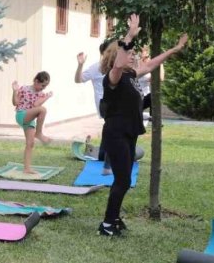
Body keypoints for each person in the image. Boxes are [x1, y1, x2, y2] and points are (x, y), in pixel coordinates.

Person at [96, 13, 187, 237]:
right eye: (129, 54)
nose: (133, 56)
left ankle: (114, 218)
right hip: (116, 134)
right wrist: (129, 35)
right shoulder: (113, 77)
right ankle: (107, 224)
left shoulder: (131, 76)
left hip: (129, 133)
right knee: (123, 179)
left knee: (124, 180)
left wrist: (174, 49)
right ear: (118, 56)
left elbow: (152, 64)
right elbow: (118, 63)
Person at [75, 40, 115, 173]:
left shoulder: (117, 66)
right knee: (113, 128)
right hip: (104, 104)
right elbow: (78, 79)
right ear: (104, 52)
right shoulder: (96, 67)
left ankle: (103, 155)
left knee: (111, 128)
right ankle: (107, 163)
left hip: (116, 102)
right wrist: (80, 65)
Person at [11, 72, 53, 175]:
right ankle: (39, 133)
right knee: (43, 110)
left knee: (30, 144)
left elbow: (36, 104)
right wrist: (14, 91)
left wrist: (46, 97)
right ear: (36, 81)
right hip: (21, 114)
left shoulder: (41, 94)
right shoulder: (24, 89)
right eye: (42, 85)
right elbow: (15, 103)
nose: (43, 88)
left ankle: (27, 168)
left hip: (30, 119)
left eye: (46, 86)